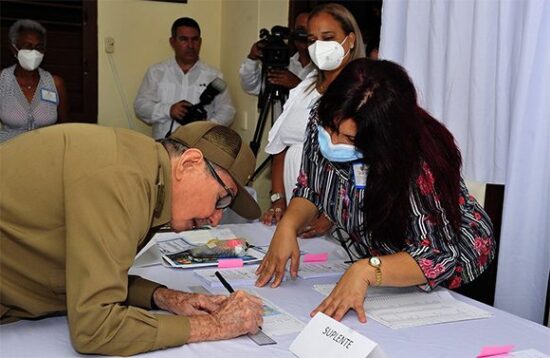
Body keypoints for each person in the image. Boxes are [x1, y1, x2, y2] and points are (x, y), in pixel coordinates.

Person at [255, 59, 496, 323]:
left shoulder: (418, 163)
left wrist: (367, 270)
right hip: (383, 263)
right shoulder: (327, 116)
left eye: (349, 140)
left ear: (382, 138)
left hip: (451, 276)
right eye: (330, 129)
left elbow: (438, 255)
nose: (332, 142)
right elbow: (312, 185)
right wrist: (288, 225)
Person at [0, 121, 263, 355]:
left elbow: (92, 272)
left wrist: (166, 297)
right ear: (189, 163)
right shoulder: (121, 180)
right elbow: (95, 329)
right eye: (221, 198)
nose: (215, 218)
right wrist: (214, 325)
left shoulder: (141, 170)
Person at [262, 3, 365, 238]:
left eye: (327, 37)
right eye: (312, 39)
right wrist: (279, 200)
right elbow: (280, 146)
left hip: (340, 212)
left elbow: (365, 160)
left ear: (349, 40)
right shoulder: (305, 86)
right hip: (295, 201)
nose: (318, 46)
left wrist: (332, 214)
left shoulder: (363, 89)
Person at [134, 17, 235, 139]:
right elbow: (140, 106)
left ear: (200, 42)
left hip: (201, 147)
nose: (190, 45)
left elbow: (228, 111)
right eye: (183, 39)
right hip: (164, 145)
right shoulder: (156, 72)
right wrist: (169, 110)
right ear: (172, 42)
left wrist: (207, 126)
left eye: (195, 40)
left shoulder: (214, 75)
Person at [0, 19, 68, 143]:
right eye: (27, 47)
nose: (34, 52)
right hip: (7, 155)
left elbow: (65, 129)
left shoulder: (55, 84)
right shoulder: (2, 81)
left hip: (46, 155)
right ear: (14, 49)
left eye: (39, 48)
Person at [239, 11, 314, 96]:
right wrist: (252, 58)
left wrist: (298, 85)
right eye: (300, 30)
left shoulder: (324, 69)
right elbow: (250, 87)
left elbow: (324, 103)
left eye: (309, 30)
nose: (303, 35)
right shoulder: (284, 63)